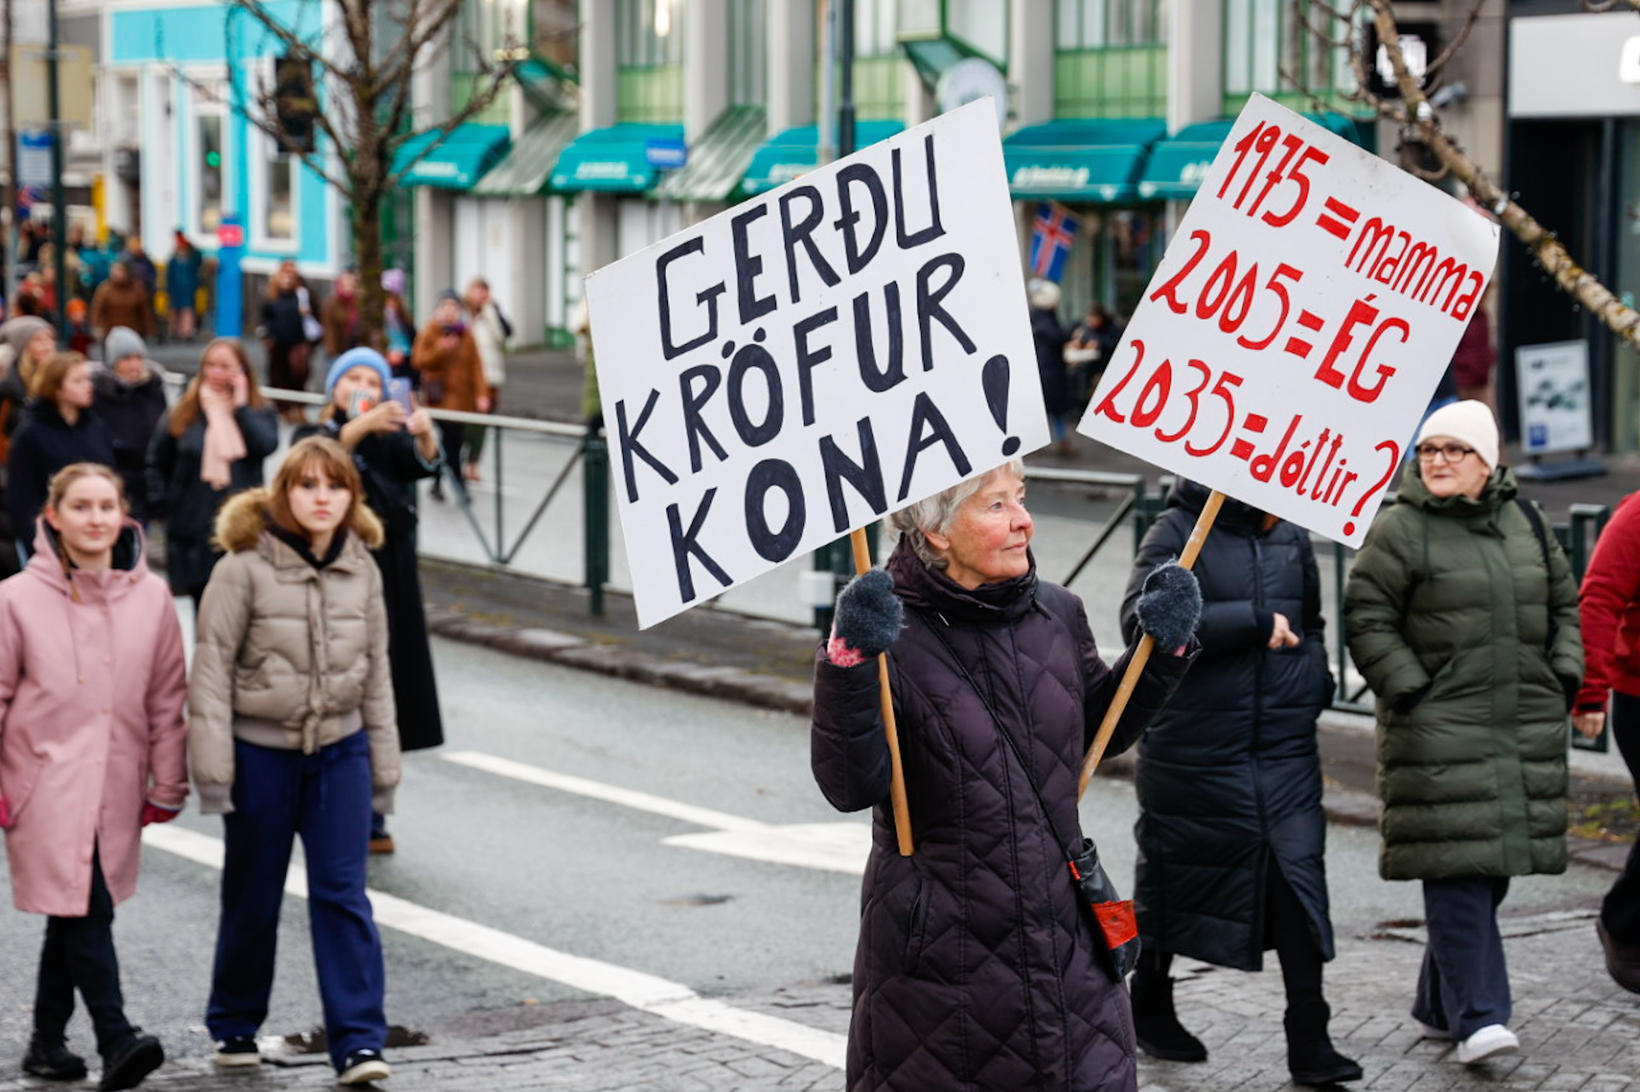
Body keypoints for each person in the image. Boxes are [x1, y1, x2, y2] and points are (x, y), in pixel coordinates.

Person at [810, 459, 1200, 1091]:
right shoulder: (884, 635)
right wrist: (848, 663)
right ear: (936, 530)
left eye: (1020, 498)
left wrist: (1161, 654)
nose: (1024, 521)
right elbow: (850, 785)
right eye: (996, 505)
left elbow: (1095, 735)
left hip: (1067, 942)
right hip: (941, 959)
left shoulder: (1059, 612)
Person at [1345, 400, 1584, 1066]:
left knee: (1488, 869)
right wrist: (1414, 693)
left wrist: (1562, 676)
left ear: (1488, 461)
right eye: (1430, 449)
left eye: (1456, 450)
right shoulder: (1400, 526)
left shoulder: (1525, 521)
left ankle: (1437, 1004)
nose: (1439, 461)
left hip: (1519, 722)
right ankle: (1481, 1018)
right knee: (1457, 869)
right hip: (1439, 728)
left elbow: (1564, 606)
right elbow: (1367, 618)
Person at [1121, 479, 1361, 1086]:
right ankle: (1149, 1002)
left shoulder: (1290, 534)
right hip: (1194, 747)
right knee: (1174, 882)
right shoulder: (1178, 529)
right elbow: (1140, 622)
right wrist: (1251, 623)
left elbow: (1312, 622)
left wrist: (1313, 680)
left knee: (1299, 876)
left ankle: (1310, 1034)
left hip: (1283, 747)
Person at [188, 436, 400, 1086]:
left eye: (334, 486)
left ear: (351, 496)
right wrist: (214, 772)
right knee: (253, 895)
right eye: (307, 485)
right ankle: (234, 1025)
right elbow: (211, 671)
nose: (321, 498)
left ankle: (359, 1042)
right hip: (262, 755)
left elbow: (377, 673)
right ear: (283, 492)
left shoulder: (363, 568)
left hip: (341, 751)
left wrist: (384, 770)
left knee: (343, 895)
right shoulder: (241, 567)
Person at [0, 462, 187, 1089]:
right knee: (88, 907)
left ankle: (46, 1044)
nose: (96, 518)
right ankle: (116, 1037)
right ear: (53, 517)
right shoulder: (15, 599)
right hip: (41, 786)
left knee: (72, 907)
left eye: (107, 506)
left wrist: (168, 783)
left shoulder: (152, 598)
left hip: (117, 786)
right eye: (80, 507)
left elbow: (166, 699)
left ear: (123, 514)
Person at [296, 347, 445, 854]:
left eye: (373, 380)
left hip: (390, 579)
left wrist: (423, 433)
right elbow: (315, 461)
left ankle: (374, 810)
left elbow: (423, 466)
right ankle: (333, 804)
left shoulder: (387, 439)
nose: (362, 386)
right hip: (335, 581)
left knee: (385, 696)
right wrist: (359, 426)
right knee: (342, 690)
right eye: (352, 378)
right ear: (334, 387)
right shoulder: (316, 434)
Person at [147, 339, 278, 607]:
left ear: (242, 370)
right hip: (193, 531)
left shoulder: (258, 410)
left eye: (225, 366)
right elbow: (157, 462)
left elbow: (266, 445)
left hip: (241, 530)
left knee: (244, 610)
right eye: (210, 365)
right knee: (204, 610)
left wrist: (241, 408)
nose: (216, 372)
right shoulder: (184, 411)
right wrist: (164, 506)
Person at [1574, 492, 1640, 993]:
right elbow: (1598, 599)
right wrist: (1589, 692)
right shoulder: (1635, 516)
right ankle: (1623, 925)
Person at [6, 352, 116, 560]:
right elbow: (22, 496)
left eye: (88, 379)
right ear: (57, 388)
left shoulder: (96, 427)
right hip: (50, 542)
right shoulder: (31, 433)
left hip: (96, 539)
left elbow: (111, 478)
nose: (88, 386)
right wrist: (36, 545)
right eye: (78, 381)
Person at [411, 290, 488, 500]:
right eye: (445, 307)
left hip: (462, 400)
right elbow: (419, 361)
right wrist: (441, 348)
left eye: (454, 307)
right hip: (439, 400)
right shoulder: (431, 331)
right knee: (450, 443)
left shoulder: (466, 334)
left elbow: (476, 365)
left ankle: (438, 480)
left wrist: (481, 394)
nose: (449, 312)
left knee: (454, 443)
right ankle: (458, 484)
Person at [92, 327, 169, 524]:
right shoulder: (101, 395)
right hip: (116, 481)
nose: (134, 365)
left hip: (148, 483)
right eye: (126, 359)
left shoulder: (153, 389)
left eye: (138, 358)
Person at [461, 277, 508, 482]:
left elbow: (503, 336)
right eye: (477, 290)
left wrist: (490, 311)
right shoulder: (463, 314)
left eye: (484, 291)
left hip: (492, 376)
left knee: (482, 425)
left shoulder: (492, 313)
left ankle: (472, 464)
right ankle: (459, 461)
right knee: (469, 424)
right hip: (469, 379)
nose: (480, 295)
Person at [261, 260, 316, 420]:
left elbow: (314, 317)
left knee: (299, 374)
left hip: (298, 342)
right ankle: (283, 409)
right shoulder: (271, 296)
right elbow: (265, 318)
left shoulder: (303, 294)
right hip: (278, 344)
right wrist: (268, 338)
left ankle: (299, 406)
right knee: (279, 377)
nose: (287, 278)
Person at [0, 315, 57, 455]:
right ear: (22, 345)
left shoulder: (60, 377)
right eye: (38, 339)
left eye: (50, 338)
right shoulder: (8, 387)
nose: (47, 345)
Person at [1029, 278, 1074, 455]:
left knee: (1049, 409)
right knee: (1051, 409)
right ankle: (1054, 441)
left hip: (1046, 368)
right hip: (1048, 370)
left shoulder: (1038, 317)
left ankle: (1049, 441)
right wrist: (1072, 331)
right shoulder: (1044, 320)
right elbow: (1057, 336)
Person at [90, 261, 153, 340]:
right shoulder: (104, 289)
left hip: (134, 332)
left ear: (127, 272)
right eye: (114, 271)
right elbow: (96, 309)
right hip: (111, 333)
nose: (117, 274)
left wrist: (150, 330)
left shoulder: (137, 288)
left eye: (120, 271)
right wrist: (96, 327)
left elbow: (145, 311)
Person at [165, 232, 203, 342]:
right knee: (174, 310)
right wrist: (169, 288)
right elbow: (169, 276)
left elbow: (198, 258)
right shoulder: (173, 261)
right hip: (176, 289)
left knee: (187, 311)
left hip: (188, 289)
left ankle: (186, 331)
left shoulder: (191, 259)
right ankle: (174, 330)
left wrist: (190, 245)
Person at [321, 269, 364, 360]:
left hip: (354, 350)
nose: (348, 287)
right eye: (345, 284)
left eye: (350, 284)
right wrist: (331, 351)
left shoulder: (358, 303)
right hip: (337, 351)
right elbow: (329, 329)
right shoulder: (331, 304)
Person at [381, 271, 416, 383]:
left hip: (402, 372)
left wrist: (402, 354)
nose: (388, 302)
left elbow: (413, 344)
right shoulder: (376, 320)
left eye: (391, 297)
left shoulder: (405, 320)